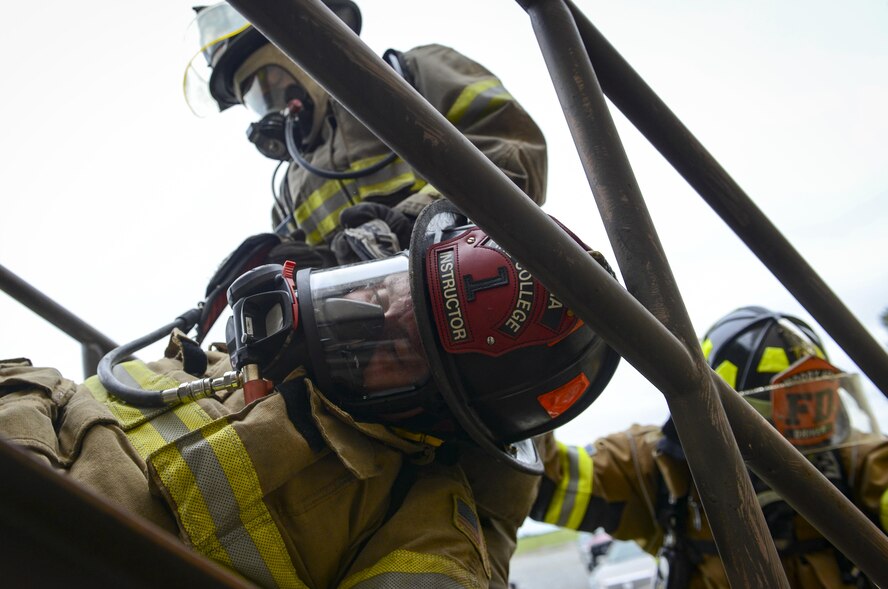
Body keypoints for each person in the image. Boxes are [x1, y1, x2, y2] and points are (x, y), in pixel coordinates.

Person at [0, 203, 621, 589]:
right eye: (382, 288)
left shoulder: (420, 532)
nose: (360, 313)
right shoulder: (217, 362)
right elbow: (52, 392)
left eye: (394, 345)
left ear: (439, 418)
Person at [530, 306, 888, 588]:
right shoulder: (661, 467)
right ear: (731, 414)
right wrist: (529, 366)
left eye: (819, 405)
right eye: (795, 412)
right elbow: (544, 481)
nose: (809, 441)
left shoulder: (857, 461)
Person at [183, 0, 547, 267]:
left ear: (305, 49)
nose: (274, 105)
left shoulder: (410, 77)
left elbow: (515, 154)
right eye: (257, 98)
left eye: (275, 82)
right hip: (383, 352)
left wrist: (414, 222)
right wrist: (295, 268)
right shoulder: (291, 188)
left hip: (479, 291)